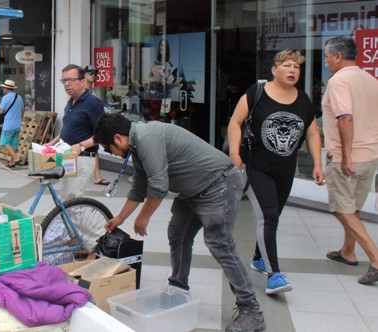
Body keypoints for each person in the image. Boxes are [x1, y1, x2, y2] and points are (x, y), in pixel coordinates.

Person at [95, 112, 265, 332]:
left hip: (218, 183)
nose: (113, 154)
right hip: (192, 190)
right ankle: (178, 289)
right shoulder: (137, 144)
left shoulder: (147, 138)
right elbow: (139, 185)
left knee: (220, 244)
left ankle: (251, 309)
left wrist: (143, 217)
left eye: (109, 149)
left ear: (118, 138)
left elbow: (158, 185)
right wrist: (119, 218)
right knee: (178, 234)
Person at [228, 49, 325, 295]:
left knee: (273, 216)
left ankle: (259, 259)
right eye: (287, 65)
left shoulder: (302, 100)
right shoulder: (257, 93)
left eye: (297, 67)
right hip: (257, 166)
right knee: (268, 216)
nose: (293, 70)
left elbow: (313, 133)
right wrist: (234, 154)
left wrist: (317, 164)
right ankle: (274, 275)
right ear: (274, 69)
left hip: (285, 169)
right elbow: (235, 122)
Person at [322, 36, 378, 285]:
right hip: (370, 155)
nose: (325, 61)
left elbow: (345, 118)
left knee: (342, 209)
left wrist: (345, 156)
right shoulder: (370, 79)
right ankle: (347, 251)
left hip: (349, 157)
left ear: (337, 56)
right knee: (353, 207)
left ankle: (376, 258)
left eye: (326, 56)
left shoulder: (339, 81)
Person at [47, 64, 108, 188]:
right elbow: (68, 129)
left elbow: (103, 133)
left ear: (82, 81)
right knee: (66, 195)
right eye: (64, 80)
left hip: (82, 158)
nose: (67, 84)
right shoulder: (70, 102)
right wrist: (51, 143)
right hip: (67, 156)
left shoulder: (92, 102)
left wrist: (81, 146)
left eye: (71, 80)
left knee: (71, 196)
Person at [0, 79, 24, 168]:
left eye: (3, 88)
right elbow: (22, 111)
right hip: (17, 124)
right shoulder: (19, 97)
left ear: (6, 88)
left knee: (5, 142)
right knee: (14, 143)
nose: (3, 89)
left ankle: (16, 158)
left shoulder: (5, 98)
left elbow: (1, 111)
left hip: (9, 124)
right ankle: (12, 162)